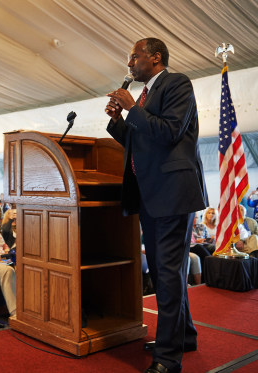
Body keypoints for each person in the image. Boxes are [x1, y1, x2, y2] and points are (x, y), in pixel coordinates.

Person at [105, 38, 207, 373]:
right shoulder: (146, 97)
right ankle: (184, 337)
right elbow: (142, 144)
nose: (129, 64)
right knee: (169, 273)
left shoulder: (176, 84)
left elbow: (169, 132)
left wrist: (134, 108)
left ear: (155, 58)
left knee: (167, 274)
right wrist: (120, 121)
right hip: (150, 195)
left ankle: (167, 358)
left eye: (134, 57)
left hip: (173, 193)